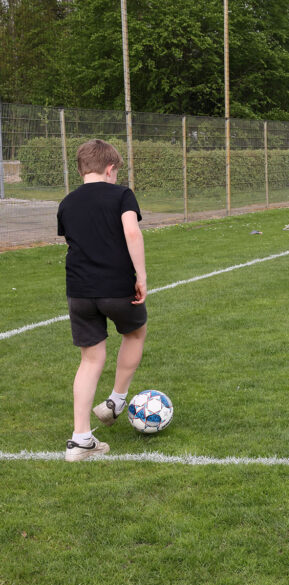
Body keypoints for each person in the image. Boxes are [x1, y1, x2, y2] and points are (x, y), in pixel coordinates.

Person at [57, 139, 148, 462]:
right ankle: (116, 400)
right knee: (135, 333)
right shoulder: (122, 194)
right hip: (116, 287)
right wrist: (141, 276)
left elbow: (72, 241)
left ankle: (80, 440)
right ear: (111, 169)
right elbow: (132, 233)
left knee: (90, 360)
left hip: (79, 291)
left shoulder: (67, 202)